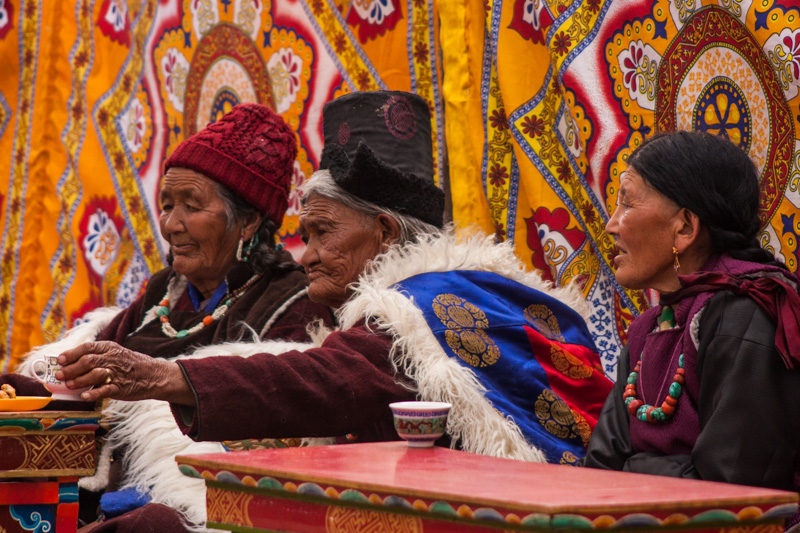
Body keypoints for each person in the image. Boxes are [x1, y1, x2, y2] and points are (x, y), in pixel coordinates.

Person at [55, 91, 613, 531]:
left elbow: (330, 378)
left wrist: (164, 377)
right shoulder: (455, 290)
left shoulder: (422, 306)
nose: (308, 256)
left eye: (323, 233)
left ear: (385, 232)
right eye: (306, 236)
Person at [10, 103, 334, 531]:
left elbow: (274, 444)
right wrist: (19, 388)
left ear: (249, 221)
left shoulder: (291, 303)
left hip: (196, 511)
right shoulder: (166, 291)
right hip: (101, 495)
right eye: (166, 206)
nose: (171, 225)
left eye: (191, 207)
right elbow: (81, 369)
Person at [581, 131, 800, 529]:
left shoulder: (746, 314)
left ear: (684, 227)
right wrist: (665, 471)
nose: (611, 225)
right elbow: (597, 475)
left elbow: (731, 495)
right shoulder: (648, 328)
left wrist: (633, 469)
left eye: (627, 203)